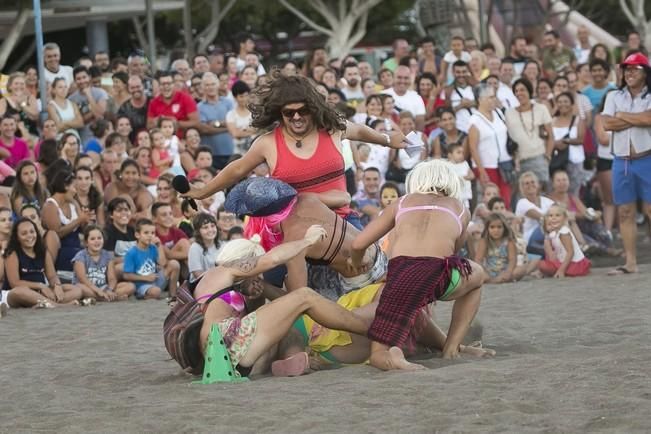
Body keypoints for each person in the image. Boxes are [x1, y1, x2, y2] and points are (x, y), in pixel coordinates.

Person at [183, 70, 408, 227]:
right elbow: (236, 170)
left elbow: (360, 131)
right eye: (289, 112)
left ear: (312, 108)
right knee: (262, 281)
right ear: (279, 112)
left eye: (303, 110)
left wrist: (387, 139)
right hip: (293, 224)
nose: (297, 117)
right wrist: (202, 192)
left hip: (342, 219)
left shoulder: (331, 127)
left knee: (368, 264)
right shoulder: (267, 142)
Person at [167, 224, 369, 378]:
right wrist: (307, 241)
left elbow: (270, 316)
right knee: (305, 296)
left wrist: (258, 293)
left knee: (288, 325)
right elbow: (272, 259)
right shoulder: (224, 270)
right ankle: (372, 329)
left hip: (222, 359)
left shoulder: (223, 290)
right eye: (256, 273)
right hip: (227, 340)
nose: (258, 277)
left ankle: (292, 359)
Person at [349, 160, 492, 370]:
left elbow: (359, 243)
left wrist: (357, 261)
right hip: (439, 277)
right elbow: (454, 255)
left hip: (400, 276)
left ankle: (392, 357)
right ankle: (451, 348)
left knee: (377, 354)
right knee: (476, 275)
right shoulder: (459, 208)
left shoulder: (401, 202)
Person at [225, 177, 387, 299]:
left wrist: (270, 286)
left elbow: (300, 295)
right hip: (376, 253)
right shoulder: (307, 199)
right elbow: (345, 197)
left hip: (361, 278)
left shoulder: (294, 241)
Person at [601, 52, 651, 275]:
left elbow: (649, 119)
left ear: (645, 72)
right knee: (625, 211)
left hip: (647, 158)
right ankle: (630, 262)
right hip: (621, 161)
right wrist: (636, 118)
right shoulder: (613, 96)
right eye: (626, 69)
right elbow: (607, 124)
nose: (629, 73)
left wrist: (622, 116)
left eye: (634, 69)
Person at [3, 217, 82, 308]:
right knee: (20, 292)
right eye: (24, 233)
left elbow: (52, 276)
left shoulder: (43, 251)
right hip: (16, 293)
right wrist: (40, 286)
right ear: (17, 237)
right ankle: (57, 305)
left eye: (32, 232)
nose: (29, 236)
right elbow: (15, 283)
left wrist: (57, 286)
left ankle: (43, 303)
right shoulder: (12, 253)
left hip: (41, 292)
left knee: (76, 290)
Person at [468, 83, 513, 208]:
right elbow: (473, 147)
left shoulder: (498, 113)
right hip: (487, 166)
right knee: (492, 201)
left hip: (504, 164)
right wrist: (481, 171)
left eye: (494, 97)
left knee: (506, 199)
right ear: (481, 100)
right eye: (491, 97)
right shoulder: (475, 120)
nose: (494, 100)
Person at [505, 78, 554, 189]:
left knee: (541, 193)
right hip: (519, 162)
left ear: (529, 91)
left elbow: (551, 135)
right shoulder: (509, 113)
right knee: (522, 198)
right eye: (516, 91)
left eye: (522, 90)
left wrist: (547, 157)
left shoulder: (541, 109)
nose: (519, 93)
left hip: (539, 159)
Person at [73, 225, 136, 302]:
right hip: (88, 287)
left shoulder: (107, 256)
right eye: (92, 239)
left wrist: (109, 290)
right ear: (86, 242)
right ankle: (107, 298)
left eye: (99, 238)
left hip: (103, 287)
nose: (97, 241)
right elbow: (82, 279)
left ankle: (104, 297)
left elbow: (112, 278)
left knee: (131, 286)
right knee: (79, 287)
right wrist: (98, 291)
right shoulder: (80, 256)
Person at [123, 218, 180, 300]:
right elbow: (126, 275)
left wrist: (159, 245)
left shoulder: (153, 248)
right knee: (156, 292)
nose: (150, 235)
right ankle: (141, 296)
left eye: (152, 233)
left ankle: (173, 294)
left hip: (155, 279)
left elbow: (163, 263)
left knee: (174, 264)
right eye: (146, 233)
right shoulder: (132, 253)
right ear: (137, 235)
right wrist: (146, 278)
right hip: (141, 285)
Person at [539, 204, 591, 278]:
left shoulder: (564, 232)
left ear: (564, 218)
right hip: (562, 261)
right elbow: (549, 253)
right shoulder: (553, 233)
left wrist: (561, 270)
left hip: (574, 263)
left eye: (557, 215)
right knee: (540, 264)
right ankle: (550, 271)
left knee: (543, 265)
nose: (554, 218)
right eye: (550, 216)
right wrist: (547, 233)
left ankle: (561, 271)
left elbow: (570, 252)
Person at [474, 212, 527, 283]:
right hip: (489, 272)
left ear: (504, 228)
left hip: (505, 271)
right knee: (476, 272)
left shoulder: (509, 241)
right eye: (492, 227)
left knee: (521, 270)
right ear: (487, 228)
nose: (496, 230)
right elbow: (478, 259)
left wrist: (508, 272)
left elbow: (512, 260)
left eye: (499, 227)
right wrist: (485, 273)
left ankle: (501, 279)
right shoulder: (484, 241)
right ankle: (493, 280)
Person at [197, 72, 235, 170]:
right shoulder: (199, 107)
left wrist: (215, 124)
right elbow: (205, 129)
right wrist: (227, 127)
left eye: (213, 84)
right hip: (211, 155)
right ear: (202, 87)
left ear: (218, 84)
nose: (210, 87)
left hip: (231, 151)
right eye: (207, 85)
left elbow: (234, 123)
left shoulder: (228, 103)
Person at [551, 92, 585, 194]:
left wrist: (565, 141)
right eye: (560, 102)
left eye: (566, 101)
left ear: (571, 104)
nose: (563, 104)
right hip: (556, 161)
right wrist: (555, 144)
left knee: (573, 193)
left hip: (575, 161)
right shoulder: (552, 120)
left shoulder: (578, 120)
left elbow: (580, 139)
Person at [147, 70, 199, 136]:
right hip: (162, 142)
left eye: (169, 83)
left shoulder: (186, 98)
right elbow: (149, 126)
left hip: (183, 140)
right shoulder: (153, 102)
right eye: (163, 84)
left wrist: (176, 123)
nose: (166, 86)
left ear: (174, 84)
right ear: (159, 86)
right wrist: (157, 122)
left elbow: (196, 123)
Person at [515, 171, 554, 255]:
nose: (530, 185)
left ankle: (582, 244)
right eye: (526, 183)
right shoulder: (522, 202)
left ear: (538, 185)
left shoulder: (545, 200)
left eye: (533, 182)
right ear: (522, 187)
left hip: (547, 233)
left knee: (566, 220)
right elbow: (541, 217)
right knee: (552, 222)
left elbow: (561, 212)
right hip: (530, 239)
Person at [69, 66, 109, 145]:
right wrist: (92, 112)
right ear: (75, 81)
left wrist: (89, 95)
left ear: (89, 77)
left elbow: (99, 116)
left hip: (101, 136)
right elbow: (78, 122)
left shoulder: (100, 93)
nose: (82, 81)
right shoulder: (71, 99)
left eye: (84, 77)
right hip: (83, 137)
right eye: (78, 79)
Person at [187, 213, 220, 286]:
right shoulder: (195, 248)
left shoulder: (221, 245)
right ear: (198, 231)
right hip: (200, 285)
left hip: (220, 282)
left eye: (212, 226)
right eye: (205, 227)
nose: (210, 230)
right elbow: (198, 275)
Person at [445, 60, 476, 133]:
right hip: (460, 129)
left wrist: (472, 103)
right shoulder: (448, 90)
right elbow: (446, 112)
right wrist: (460, 106)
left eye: (464, 72)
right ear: (453, 73)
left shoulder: (475, 87)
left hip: (477, 128)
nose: (461, 75)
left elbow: (484, 104)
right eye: (458, 72)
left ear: (467, 72)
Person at [448, 142, 473, 208]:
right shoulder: (447, 166)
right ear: (450, 155)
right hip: (453, 197)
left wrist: (464, 177)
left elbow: (472, 175)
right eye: (458, 152)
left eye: (462, 153)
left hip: (464, 196)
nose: (461, 155)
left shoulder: (465, 164)